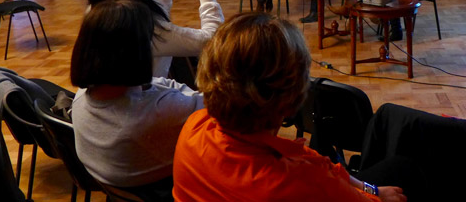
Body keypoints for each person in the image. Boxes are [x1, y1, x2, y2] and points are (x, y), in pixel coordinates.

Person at [172, 12, 407, 202]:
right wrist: (373, 193)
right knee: (404, 169)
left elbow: (310, 160)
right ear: (293, 96)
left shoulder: (194, 126)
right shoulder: (301, 182)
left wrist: (366, 186)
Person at [71, 0, 203, 199]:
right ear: (137, 52)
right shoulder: (159, 112)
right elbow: (217, 104)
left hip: (122, 189)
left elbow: (157, 82)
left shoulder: (82, 96)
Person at [86, 0, 223, 78]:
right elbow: (212, 40)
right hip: (145, 94)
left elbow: (153, 9)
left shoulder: (98, 13)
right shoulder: (146, 28)